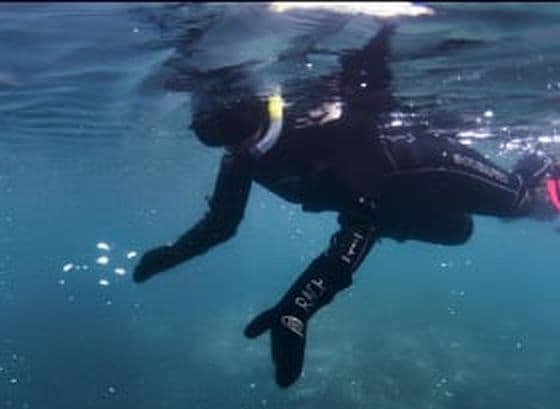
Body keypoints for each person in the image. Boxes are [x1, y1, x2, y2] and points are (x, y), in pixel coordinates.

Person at [132, 23, 560, 388]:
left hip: (433, 168)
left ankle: (547, 165)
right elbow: (222, 224)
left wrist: (298, 308)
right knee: (457, 232)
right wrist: (173, 255)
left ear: (257, 111)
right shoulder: (244, 156)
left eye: (233, 131)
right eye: (214, 137)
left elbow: (357, 230)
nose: (232, 147)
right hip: (391, 204)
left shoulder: (336, 133)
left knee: (523, 202)